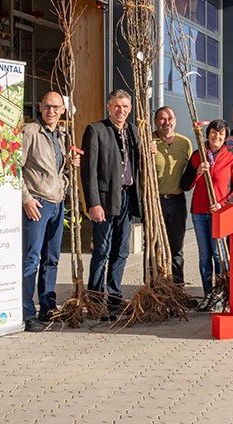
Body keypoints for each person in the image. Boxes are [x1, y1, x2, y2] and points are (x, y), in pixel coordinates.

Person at [21, 91, 79, 332]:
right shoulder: (30, 132)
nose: (51, 111)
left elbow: (58, 171)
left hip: (57, 203)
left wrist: (70, 167)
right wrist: (26, 198)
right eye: (47, 107)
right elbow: (14, 167)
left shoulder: (62, 135)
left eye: (56, 107)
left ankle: (47, 307)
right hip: (37, 204)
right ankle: (27, 313)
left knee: (52, 259)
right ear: (40, 107)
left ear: (63, 110)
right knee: (31, 260)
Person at [80, 89, 141, 318]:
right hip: (105, 200)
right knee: (102, 251)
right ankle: (95, 302)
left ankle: (114, 299)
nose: (121, 110)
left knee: (121, 251)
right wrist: (93, 203)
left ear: (130, 109)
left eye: (125, 107)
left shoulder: (133, 131)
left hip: (127, 197)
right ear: (108, 107)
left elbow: (138, 163)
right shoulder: (96, 130)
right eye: (117, 106)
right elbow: (89, 172)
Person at [181, 119, 233, 308]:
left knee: (219, 256)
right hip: (199, 213)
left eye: (220, 134)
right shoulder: (197, 156)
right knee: (204, 256)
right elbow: (185, 185)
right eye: (213, 133)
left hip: (220, 213)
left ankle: (220, 294)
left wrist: (223, 203)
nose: (216, 136)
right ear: (207, 134)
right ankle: (207, 294)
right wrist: (197, 172)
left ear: (225, 137)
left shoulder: (231, 158)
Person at [153, 106, 193, 285]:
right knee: (155, 247)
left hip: (177, 201)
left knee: (176, 247)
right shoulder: (148, 142)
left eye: (170, 118)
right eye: (162, 119)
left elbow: (191, 172)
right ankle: (154, 287)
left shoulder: (184, 143)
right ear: (155, 122)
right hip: (154, 201)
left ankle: (177, 288)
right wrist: (146, 152)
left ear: (175, 120)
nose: (166, 122)